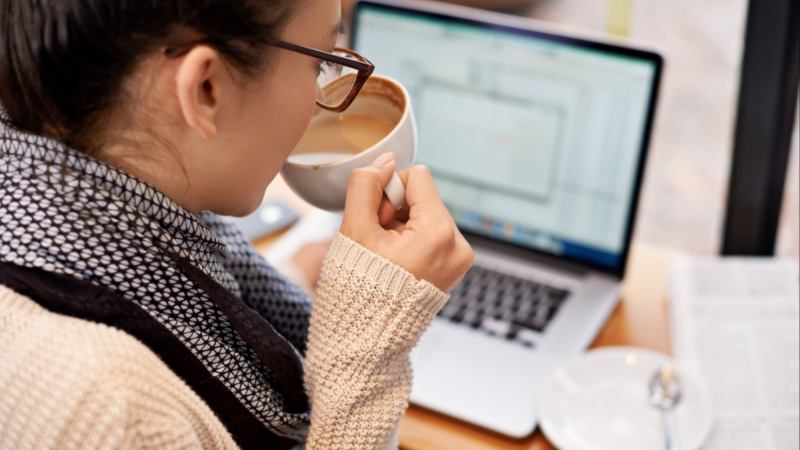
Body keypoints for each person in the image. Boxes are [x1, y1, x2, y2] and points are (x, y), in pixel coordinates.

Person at [0, 1, 473, 449]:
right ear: (206, 88)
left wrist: (298, 275)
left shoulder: (50, 200)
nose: (321, 103)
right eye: (320, 63)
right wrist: (365, 357)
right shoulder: (115, 410)